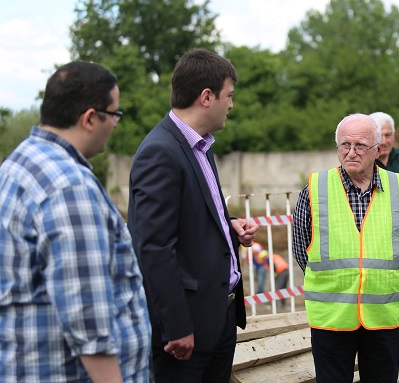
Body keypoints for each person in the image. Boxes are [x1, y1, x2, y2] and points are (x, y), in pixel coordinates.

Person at [0, 61, 151, 382]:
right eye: (115, 115)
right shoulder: (69, 187)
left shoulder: (19, 163)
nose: (116, 125)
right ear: (90, 118)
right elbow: (89, 321)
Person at [127, 48, 259, 382]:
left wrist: (231, 228)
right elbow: (154, 248)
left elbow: (191, 220)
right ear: (206, 97)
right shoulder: (160, 152)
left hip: (219, 319)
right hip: (188, 334)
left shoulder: (200, 146)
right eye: (228, 96)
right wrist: (177, 327)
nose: (231, 104)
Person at [292, 113, 399, 382]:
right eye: (344, 145)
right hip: (332, 317)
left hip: (384, 315)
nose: (351, 152)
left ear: (377, 149)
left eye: (360, 145)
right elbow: (302, 250)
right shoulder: (315, 190)